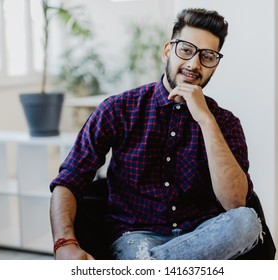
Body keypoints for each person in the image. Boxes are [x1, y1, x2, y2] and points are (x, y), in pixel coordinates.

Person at [49, 7, 262, 260]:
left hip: (203, 235)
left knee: (247, 221)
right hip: (136, 236)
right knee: (141, 252)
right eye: (185, 50)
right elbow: (69, 179)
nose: (194, 64)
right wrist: (64, 243)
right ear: (167, 51)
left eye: (207, 56)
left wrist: (206, 120)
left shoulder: (224, 122)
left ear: (214, 66)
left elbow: (235, 203)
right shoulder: (118, 109)